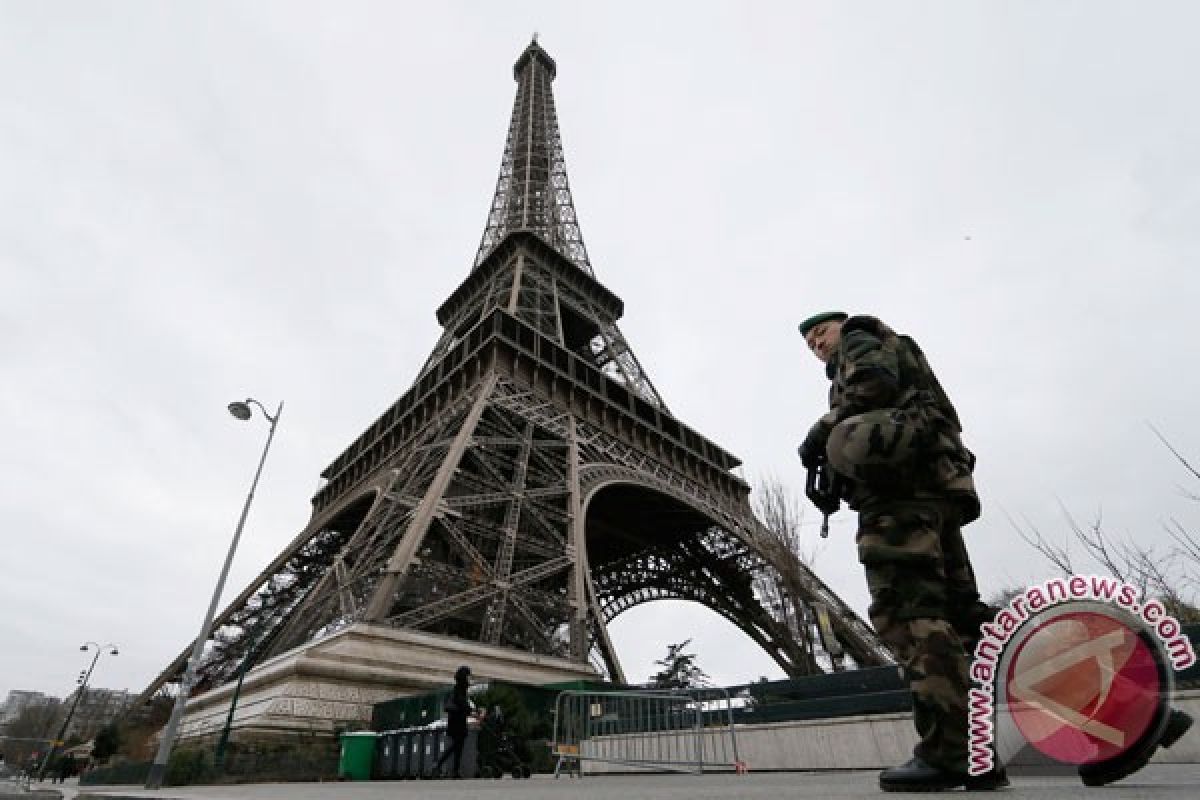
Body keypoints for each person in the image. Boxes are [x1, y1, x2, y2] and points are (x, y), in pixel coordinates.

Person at [797, 311, 1004, 792]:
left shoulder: (860, 341)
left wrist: (822, 432)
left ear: (840, 325)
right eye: (809, 343)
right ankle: (1121, 705)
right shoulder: (897, 347)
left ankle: (950, 753)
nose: (817, 345)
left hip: (898, 500)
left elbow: (872, 387)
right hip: (936, 496)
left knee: (909, 615)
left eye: (819, 334)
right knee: (966, 622)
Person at [434, 665, 475, 779]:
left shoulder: (462, 688)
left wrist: (470, 709)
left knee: (458, 746)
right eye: (468, 675)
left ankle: (454, 770)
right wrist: (470, 710)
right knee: (456, 745)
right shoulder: (459, 689)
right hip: (456, 721)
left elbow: (463, 703)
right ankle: (439, 764)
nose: (469, 678)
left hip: (459, 720)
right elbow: (461, 703)